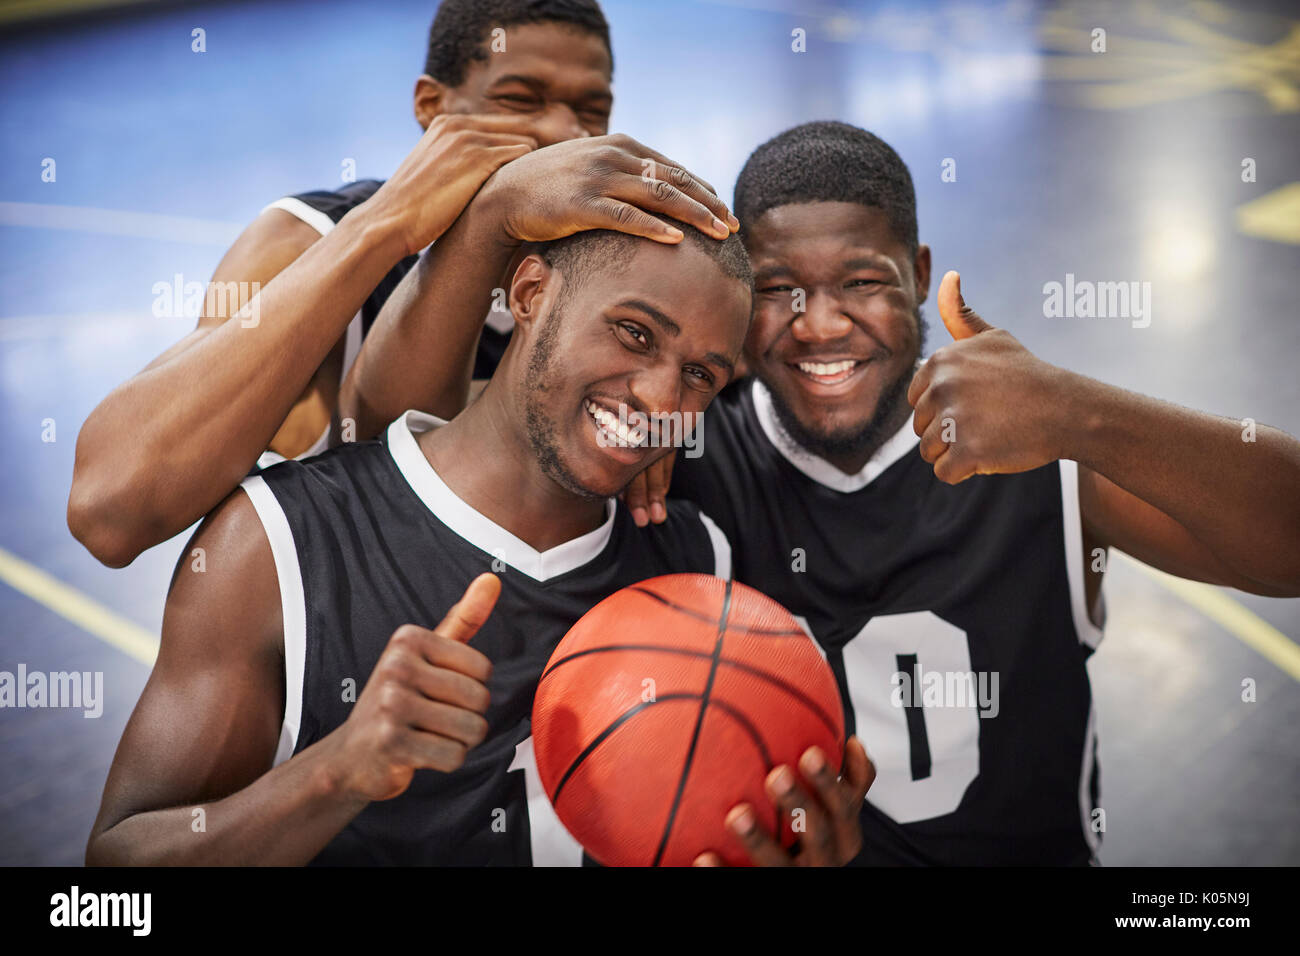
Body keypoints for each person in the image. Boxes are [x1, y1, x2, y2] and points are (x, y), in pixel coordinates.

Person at [377, 120, 1300, 864]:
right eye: (778, 290)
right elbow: (398, 440)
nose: (821, 327)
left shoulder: (1035, 449)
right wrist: (496, 221)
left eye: (863, 283)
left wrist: (1079, 414)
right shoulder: (680, 455)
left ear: (924, 274)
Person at [86, 217, 874, 866]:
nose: (662, 399)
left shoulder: (697, 559)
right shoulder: (280, 542)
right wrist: (335, 772)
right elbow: (108, 885)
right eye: (634, 334)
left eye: (701, 375)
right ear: (530, 292)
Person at [67, 0, 737, 568]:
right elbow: (112, 511)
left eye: (591, 111)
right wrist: (381, 227)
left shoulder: (625, 272)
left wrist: (650, 416)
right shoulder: (307, 240)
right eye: (519, 100)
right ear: (433, 108)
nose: (563, 134)